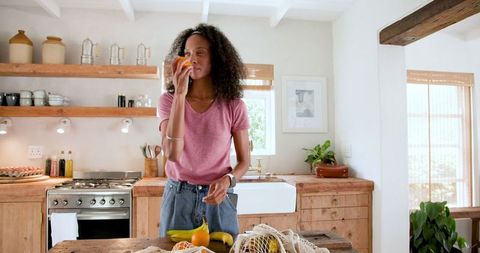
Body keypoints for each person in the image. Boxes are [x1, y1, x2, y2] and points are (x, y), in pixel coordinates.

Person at [157, 23, 250, 237]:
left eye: (200, 52)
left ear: (216, 59)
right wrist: (180, 95)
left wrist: (228, 180)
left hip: (219, 196)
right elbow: (172, 153)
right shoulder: (168, 101)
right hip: (179, 196)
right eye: (188, 53)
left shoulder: (233, 105)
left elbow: (245, 162)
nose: (193, 59)